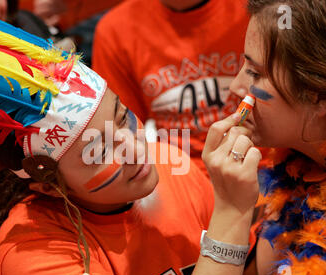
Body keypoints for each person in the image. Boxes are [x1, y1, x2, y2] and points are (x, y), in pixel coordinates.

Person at [0, 4, 263, 275]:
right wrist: (231, 213)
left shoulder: (174, 166)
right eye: (99, 150)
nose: (134, 148)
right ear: (48, 184)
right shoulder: (32, 253)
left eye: (123, 117)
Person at [218, 0, 326, 275]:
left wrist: (230, 210)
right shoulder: (298, 165)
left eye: (255, 74)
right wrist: (234, 207)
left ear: (322, 96)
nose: (235, 87)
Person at [92, 0, 250, 175]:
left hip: (264, 167)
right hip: (181, 174)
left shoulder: (254, 8)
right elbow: (123, 133)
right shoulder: (115, 29)